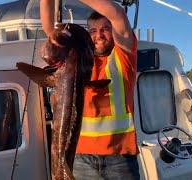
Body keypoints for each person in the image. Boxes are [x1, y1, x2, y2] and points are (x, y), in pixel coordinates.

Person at [40, 0, 139, 179]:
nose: (99, 35)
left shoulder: (124, 57)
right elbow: (49, 29)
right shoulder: (76, 60)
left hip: (119, 158)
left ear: (114, 32)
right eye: (93, 31)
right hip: (79, 156)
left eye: (105, 29)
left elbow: (117, 13)